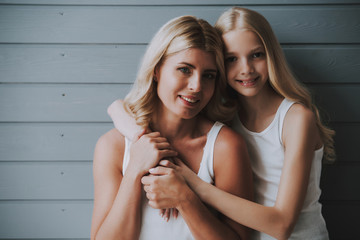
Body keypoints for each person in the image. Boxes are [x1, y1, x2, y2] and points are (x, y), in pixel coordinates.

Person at [108, 7, 335, 240]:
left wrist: (189, 183)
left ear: (272, 56)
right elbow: (119, 107)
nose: (245, 69)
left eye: (256, 55)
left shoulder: (296, 118)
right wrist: (135, 132)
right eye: (232, 59)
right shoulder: (227, 117)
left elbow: (282, 225)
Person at [91, 15, 253, 240]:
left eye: (208, 75)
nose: (196, 86)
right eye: (185, 69)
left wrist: (184, 199)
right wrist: (135, 169)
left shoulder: (226, 146)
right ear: (156, 70)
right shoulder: (113, 146)